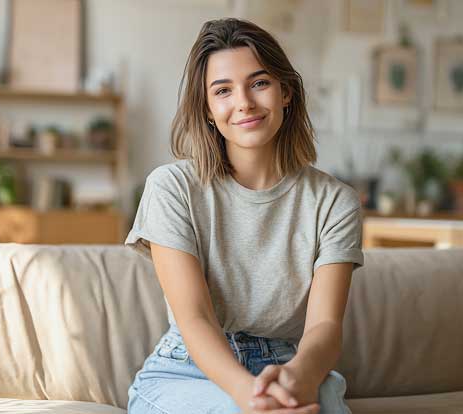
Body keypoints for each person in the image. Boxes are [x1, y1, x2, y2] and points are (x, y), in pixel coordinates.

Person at [125, 18, 363, 414]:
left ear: (286, 91)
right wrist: (249, 398)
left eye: (259, 83)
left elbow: (325, 327)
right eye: (223, 90)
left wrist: (298, 381)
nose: (244, 103)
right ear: (207, 108)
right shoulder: (171, 187)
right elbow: (196, 318)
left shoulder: (335, 202)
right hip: (188, 371)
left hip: (289, 367)